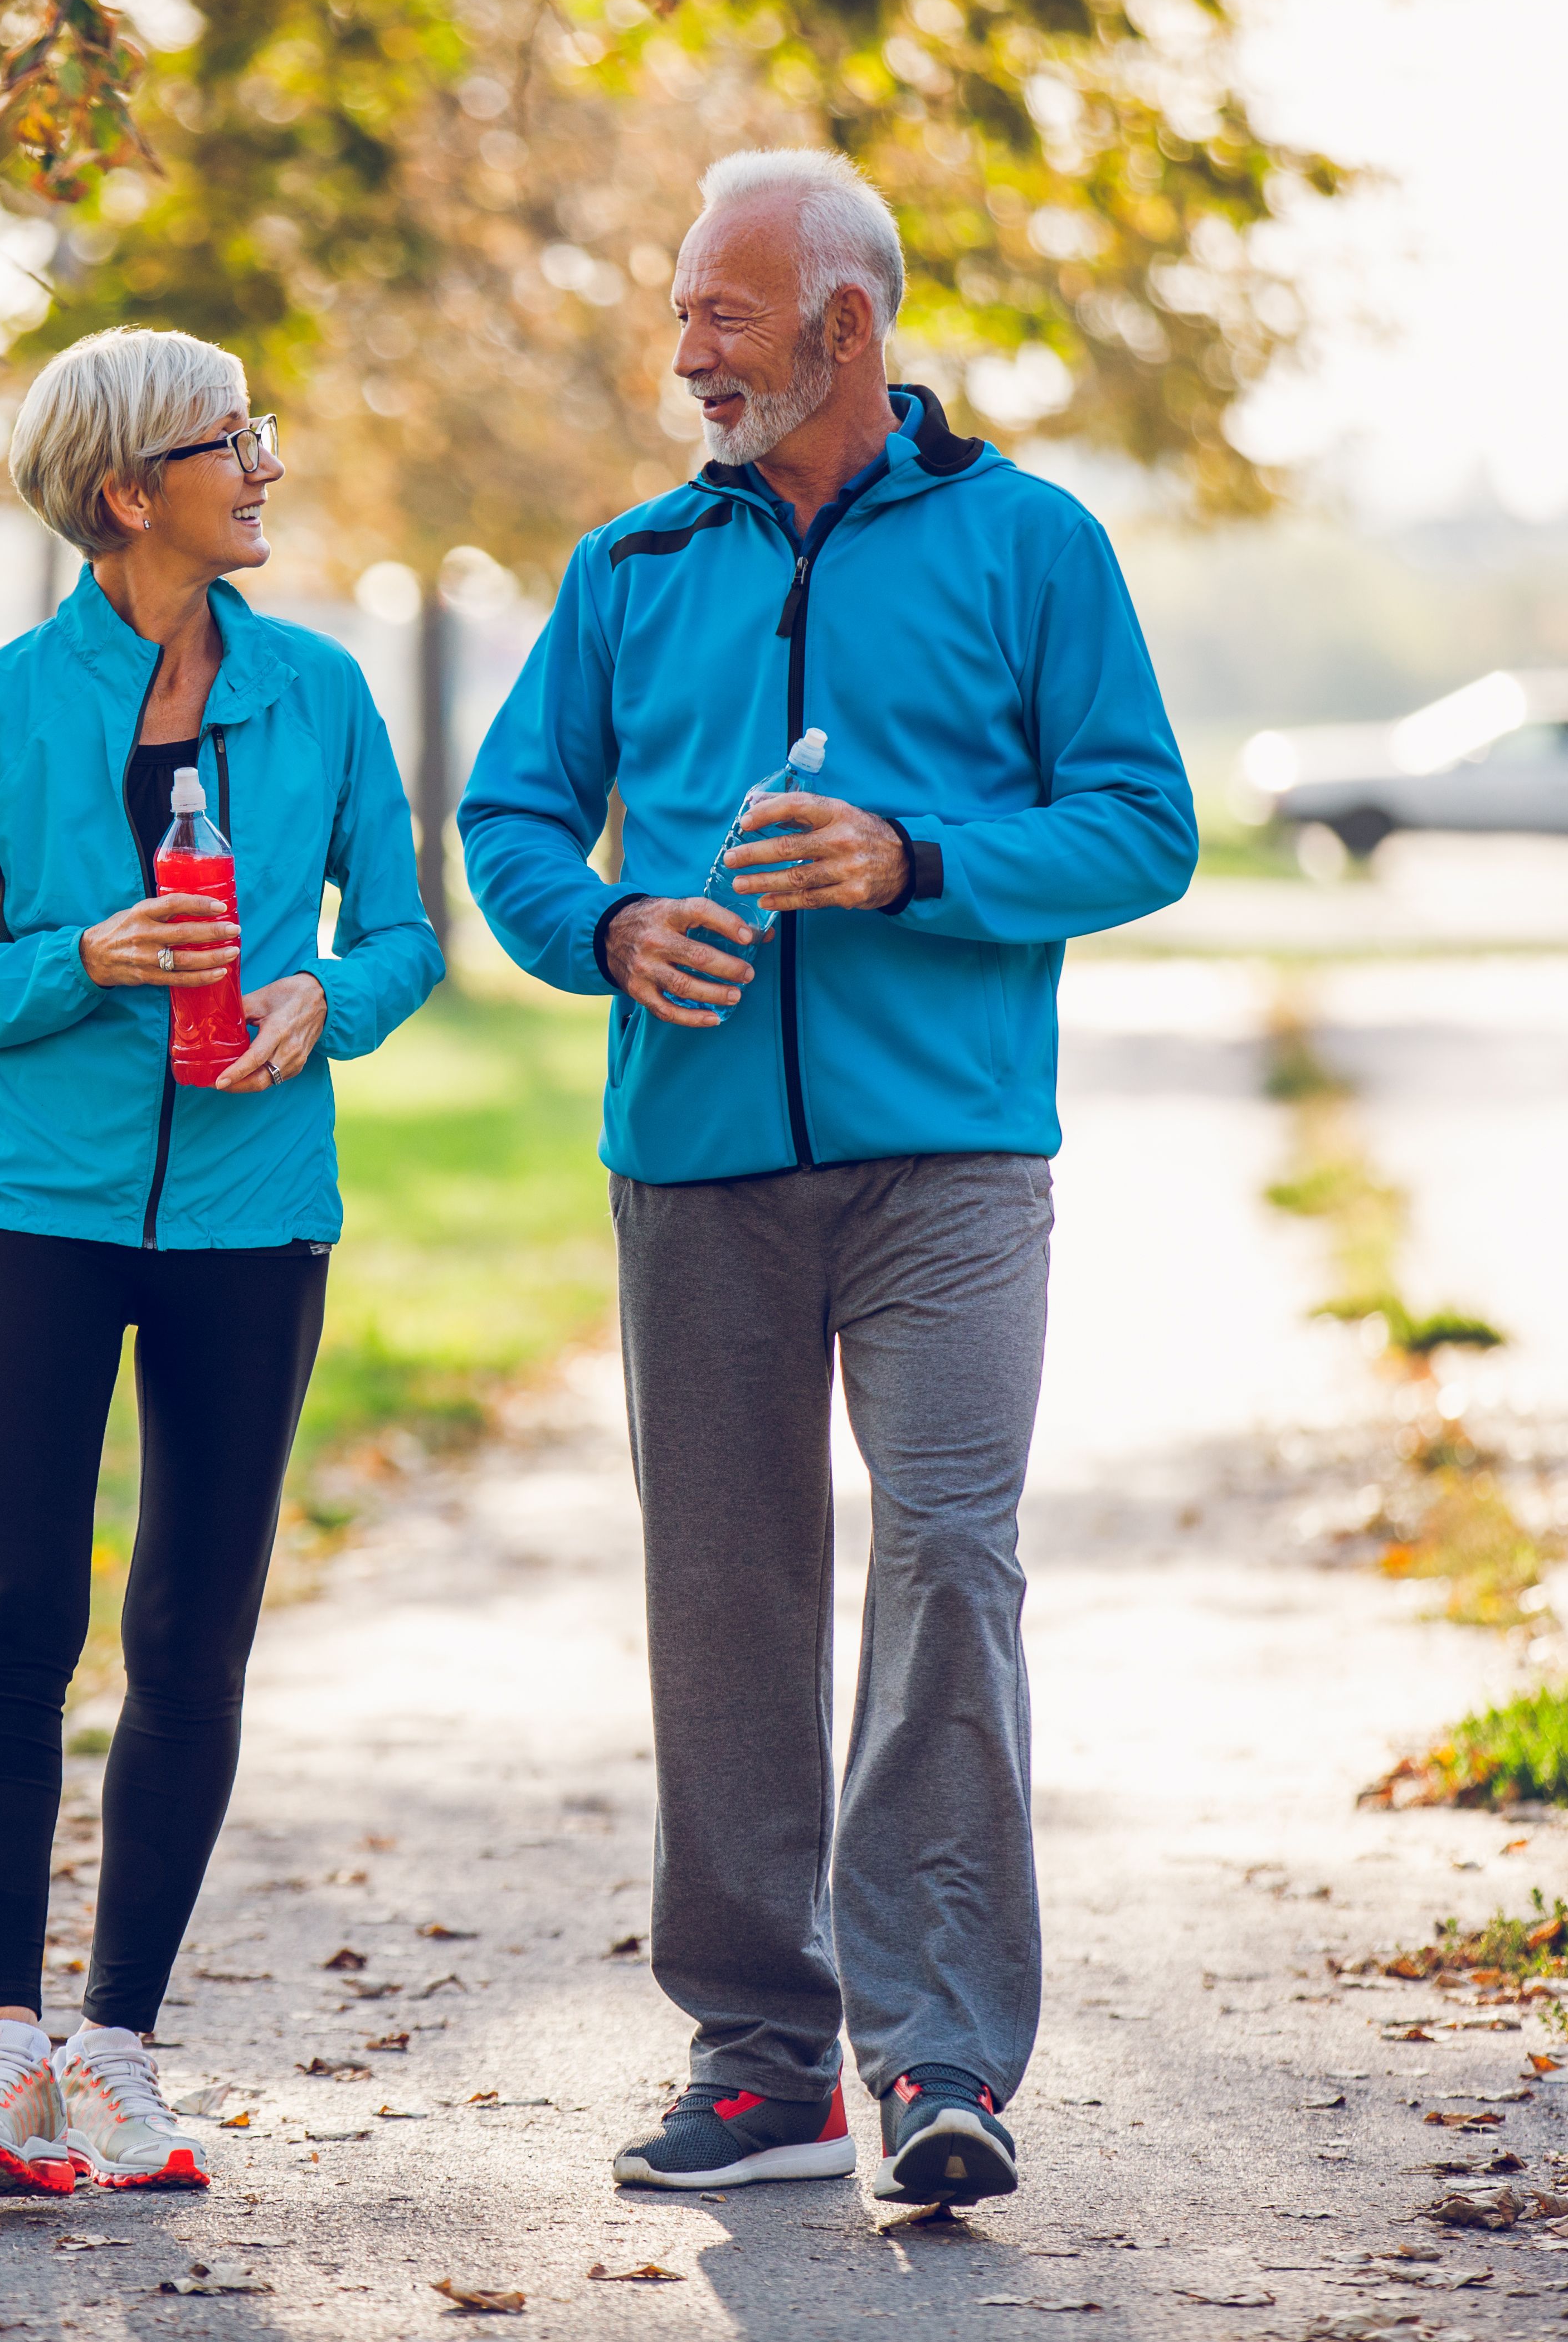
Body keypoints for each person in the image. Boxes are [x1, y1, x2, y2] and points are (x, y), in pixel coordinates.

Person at [459, 149, 1196, 2204]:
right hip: (692, 1163)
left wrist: (919, 860)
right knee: (729, 1594)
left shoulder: (1033, 544)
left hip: (951, 1158)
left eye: (723, 314)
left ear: (847, 331)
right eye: (687, 310)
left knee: (951, 1565)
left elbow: (1143, 824)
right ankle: (764, 2054)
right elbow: (513, 816)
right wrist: (606, 928)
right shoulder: (630, 569)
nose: (686, 351)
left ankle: (942, 2059)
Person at [0, 325, 446, 2195]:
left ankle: (119, 2049)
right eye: (233, 441)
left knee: (193, 1640)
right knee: (11, 1630)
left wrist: (322, 1002)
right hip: (35, 1206)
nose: (265, 466)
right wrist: (75, 965)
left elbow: (407, 939)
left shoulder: (323, 696)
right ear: (131, 494)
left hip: (253, 1218)